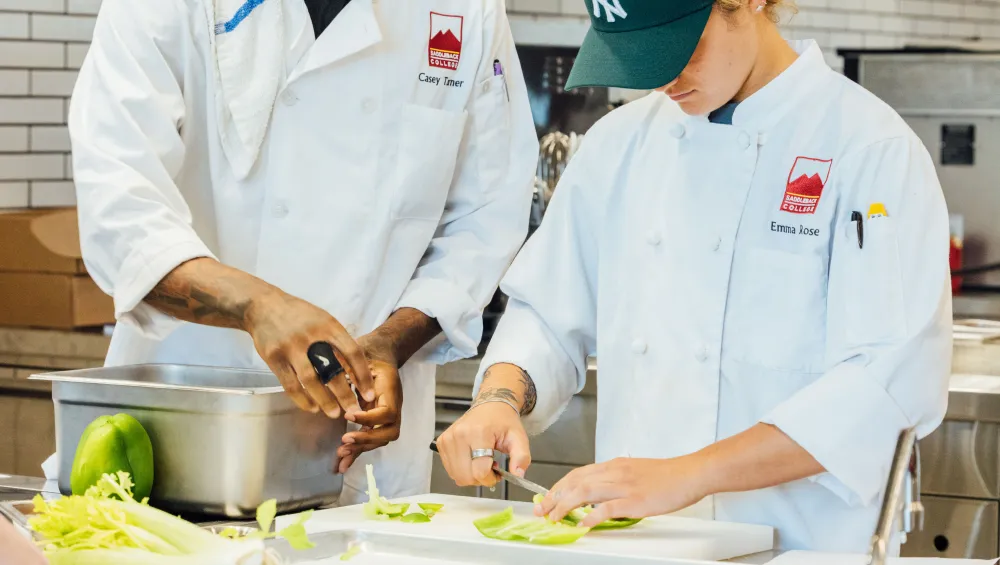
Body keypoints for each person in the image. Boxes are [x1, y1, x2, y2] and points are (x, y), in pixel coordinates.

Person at [437, 0, 951, 552]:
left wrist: (687, 473)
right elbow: (547, 312)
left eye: (678, 49)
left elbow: (885, 386)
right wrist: (499, 398)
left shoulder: (870, 149)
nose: (662, 80)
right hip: (639, 545)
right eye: (639, 58)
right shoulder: (619, 144)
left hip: (803, 546)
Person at [68, 0, 537, 504]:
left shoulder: (467, 10)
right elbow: (118, 206)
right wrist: (256, 305)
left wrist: (389, 344)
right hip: (179, 428)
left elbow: (484, 221)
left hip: (360, 452)